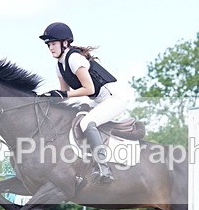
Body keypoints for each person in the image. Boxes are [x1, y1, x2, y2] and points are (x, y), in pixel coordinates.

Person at [39, 22, 133, 184]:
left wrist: (63, 94)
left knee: (87, 123)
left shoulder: (74, 58)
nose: (51, 48)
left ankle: (104, 167)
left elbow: (88, 89)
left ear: (65, 43)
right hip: (99, 100)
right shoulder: (59, 65)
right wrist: (49, 97)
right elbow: (65, 94)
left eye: (53, 43)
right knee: (75, 119)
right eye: (48, 45)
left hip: (115, 97)